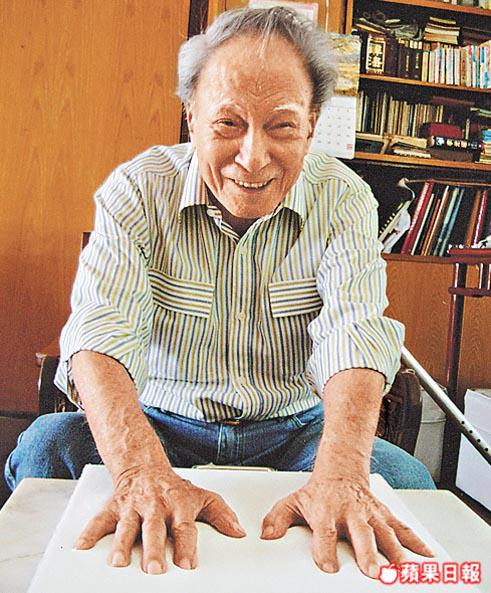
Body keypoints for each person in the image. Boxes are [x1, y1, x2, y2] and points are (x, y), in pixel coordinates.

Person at [5, 7, 435, 579]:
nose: (252, 158)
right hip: (161, 419)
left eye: (282, 126)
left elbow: (354, 334)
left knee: (403, 479)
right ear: (192, 117)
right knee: (45, 447)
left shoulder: (345, 198)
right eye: (228, 123)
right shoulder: (138, 188)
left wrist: (340, 475)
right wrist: (139, 471)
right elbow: (98, 334)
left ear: (311, 123)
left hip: (293, 430)